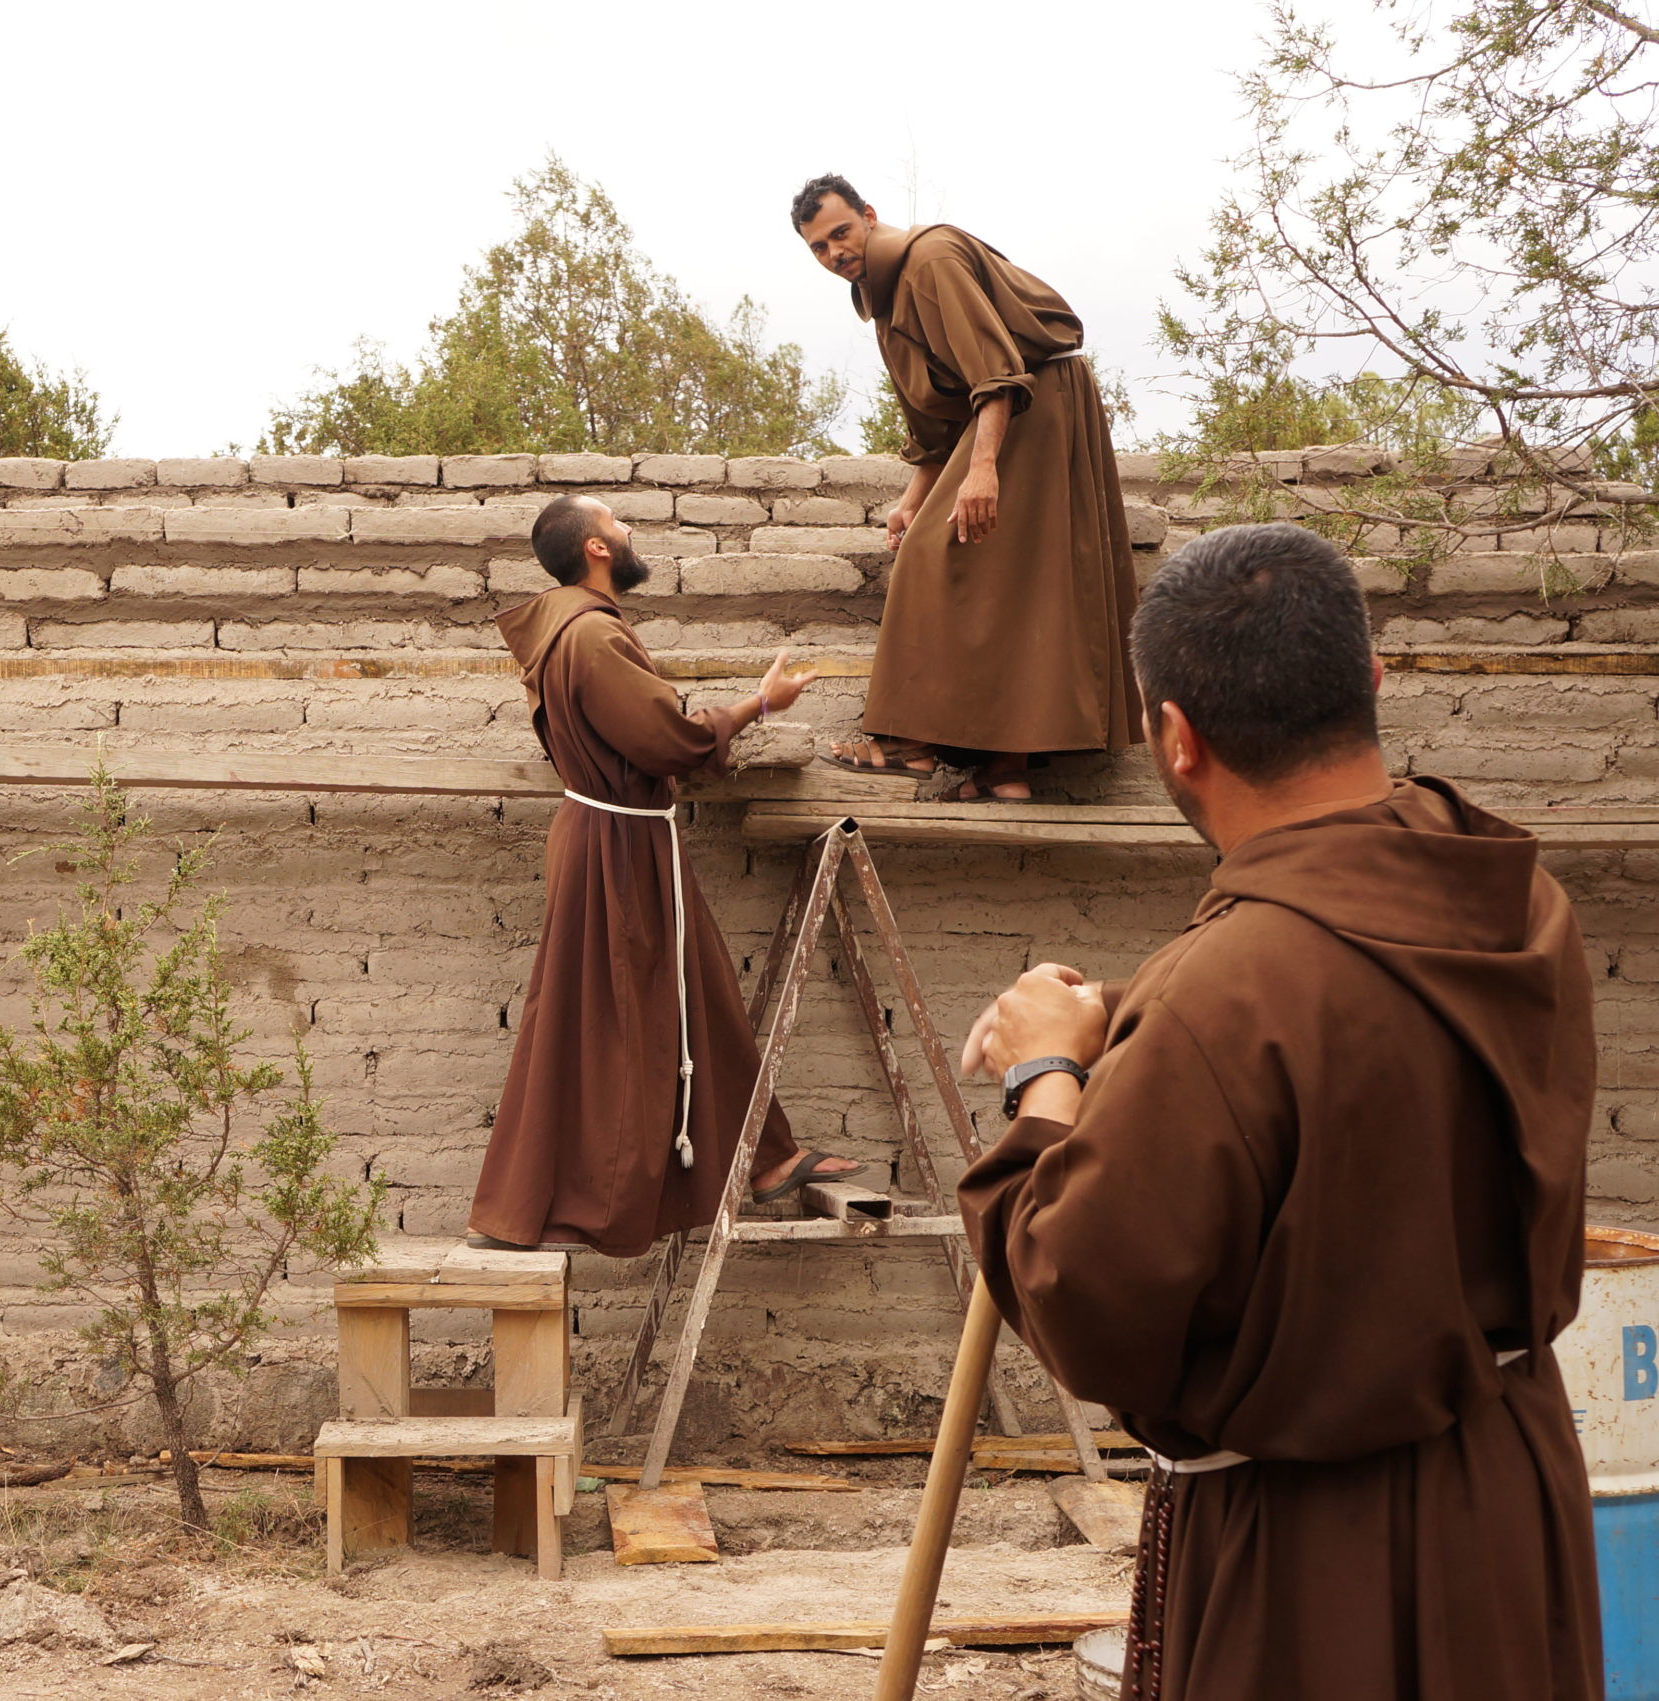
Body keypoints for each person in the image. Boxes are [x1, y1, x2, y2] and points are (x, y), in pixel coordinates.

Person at [957, 522, 1600, 1700]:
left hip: (1314, 1567)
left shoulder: (1221, 999)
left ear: (1176, 737)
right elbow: (1350, 1030)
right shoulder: (1514, 904)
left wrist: (1042, 1080)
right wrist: (1126, 1015)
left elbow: (1082, 1302)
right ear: (1371, 680)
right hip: (1508, 1499)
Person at [467, 495, 864, 1258]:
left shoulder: (574, 630)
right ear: (595, 549)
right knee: (617, 1019)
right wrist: (760, 702)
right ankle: (530, 1204)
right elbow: (666, 737)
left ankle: (763, 1155)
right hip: (617, 845)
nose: (629, 532)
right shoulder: (590, 635)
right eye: (617, 523)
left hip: (616, 838)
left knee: (686, 994)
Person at [792, 172, 1141, 801]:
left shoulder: (930, 259)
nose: (834, 252)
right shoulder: (880, 297)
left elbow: (997, 375)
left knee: (937, 557)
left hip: (1039, 404)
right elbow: (933, 425)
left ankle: (910, 746)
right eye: (818, 247)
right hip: (998, 416)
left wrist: (983, 470)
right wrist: (911, 501)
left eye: (840, 233)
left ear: (868, 214)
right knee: (1004, 575)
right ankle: (1005, 771)